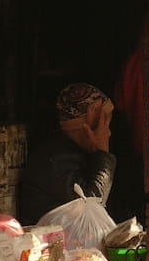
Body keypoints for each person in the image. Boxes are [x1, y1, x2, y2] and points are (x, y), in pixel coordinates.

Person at [20, 82, 117, 224]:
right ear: (88, 126)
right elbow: (92, 207)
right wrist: (103, 151)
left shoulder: (75, 150)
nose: (108, 133)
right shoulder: (55, 159)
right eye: (104, 126)